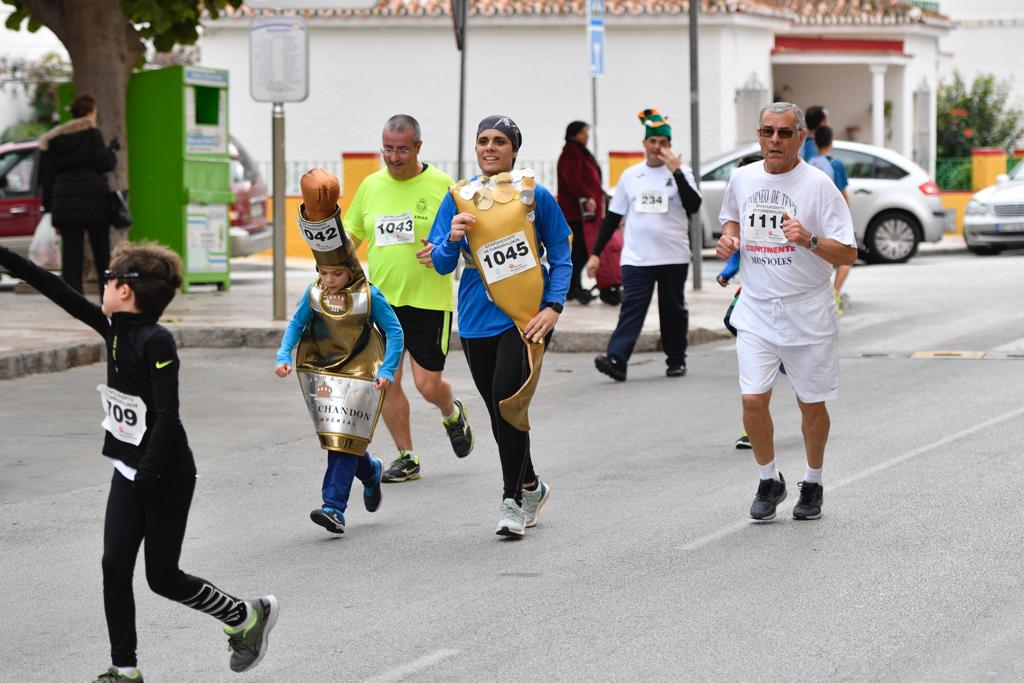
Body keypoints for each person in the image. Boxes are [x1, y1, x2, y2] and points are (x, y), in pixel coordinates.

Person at [0, 242, 277, 682]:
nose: (103, 287)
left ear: (126, 291)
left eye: (108, 279)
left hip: (166, 473)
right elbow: (49, 284)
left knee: (162, 577)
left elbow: (168, 416)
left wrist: (147, 477)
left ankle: (245, 617)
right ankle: (125, 669)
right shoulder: (111, 328)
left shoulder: (156, 340)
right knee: (114, 566)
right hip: (129, 469)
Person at [428, 114, 571, 537]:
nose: (490, 147)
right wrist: (452, 237)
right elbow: (439, 263)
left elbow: (561, 256)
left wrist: (553, 308)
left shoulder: (534, 194)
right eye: (483, 141)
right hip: (475, 319)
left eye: (499, 141)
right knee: (496, 412)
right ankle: (531, 484)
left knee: (509, 403)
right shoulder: (458, 197)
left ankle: (510, 500)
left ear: (514, 149)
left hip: (525, 318)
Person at [716, 102, 857, 521]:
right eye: (767, 132)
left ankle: (812, 482)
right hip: (757, 310)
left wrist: (810, 240)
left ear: (800, 137)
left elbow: (849, 251)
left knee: (811, 404)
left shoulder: (818, 186)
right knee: (753, 399)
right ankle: (768, 479)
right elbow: (731, 222)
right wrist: (728, 241)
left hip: (807, 310)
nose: (774, 140)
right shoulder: (742, 178)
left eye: (783, 133)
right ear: (758, 136)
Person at [343, 114, 473, 485]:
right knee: (386, 381)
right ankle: (407, 456)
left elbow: (461, 233)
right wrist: (335, 264)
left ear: (418, 147)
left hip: (429, 300)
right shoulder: (370, 186)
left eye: (402, 149)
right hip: (383, 301)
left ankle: (451, 411)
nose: (394, 156)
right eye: (388, 148)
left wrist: (445, 244)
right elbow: (353, 234)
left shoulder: (442, 186)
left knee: (427, 385)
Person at [276, 168, 404, 535]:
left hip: (362, 373)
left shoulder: (369, 295)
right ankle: (371, 470)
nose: (329, 281)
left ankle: (333, 507)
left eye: (336, 274)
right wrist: (285, 356)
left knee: (341, 444)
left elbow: (394, 332)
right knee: (341, 438)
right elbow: (297, 325)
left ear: (349, 269)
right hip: (325, 372)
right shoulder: (314, 292)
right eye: (323, 273)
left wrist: (388, 371)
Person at [589, 108, 702, 382]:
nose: (657, 147)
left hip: (672, 256)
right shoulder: (630, 176)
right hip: (637, 258)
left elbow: (693, 204)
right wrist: (595, 254)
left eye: (663, 142)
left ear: (670, 146)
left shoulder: (681, 172)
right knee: (631, 308)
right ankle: (616, 359)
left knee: (672, 309)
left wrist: (675, 172)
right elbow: (613, 217)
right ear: (644, 144)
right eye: (653, 142)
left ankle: (676, 359)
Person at [38, 93, 118, 299]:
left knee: (72, 254)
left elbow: (46, 177)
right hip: (94, 200)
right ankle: (106, 296)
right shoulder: (92, 134)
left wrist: (49, 206)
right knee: (101, 251)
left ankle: (73, 298)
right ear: (91, 112)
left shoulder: (55, 139)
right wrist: (111, 150)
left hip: (64, 200)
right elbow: (105, 163)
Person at [716, 152, 763, 450]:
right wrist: (726, 272)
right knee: (732, 321)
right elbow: (737, 253)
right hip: (750, 298)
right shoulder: (740, 216)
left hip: (778, 303)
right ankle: (752, 431)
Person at [556, 120, 604, 305]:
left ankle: (573, 286)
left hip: (582, 211)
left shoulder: (578, 151)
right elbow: (573, 179)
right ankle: (571, 287)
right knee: (581, 250)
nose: (587, 136)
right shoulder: (571, 153)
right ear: (574, 134)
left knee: (580, 250)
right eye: (584, 132)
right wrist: (587, 196)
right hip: (576, 211)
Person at [807, 125, 852, 315]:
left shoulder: (809, 162)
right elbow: (842, 192)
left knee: (818, 254)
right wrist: (847, 215)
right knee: (845, 257)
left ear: (815, 141)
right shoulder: (835, 163)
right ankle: (834, 293)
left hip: (813, 216)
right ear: (831, 141)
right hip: (831, 216)